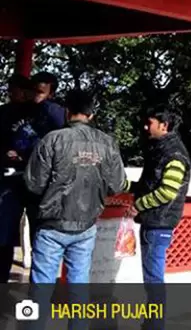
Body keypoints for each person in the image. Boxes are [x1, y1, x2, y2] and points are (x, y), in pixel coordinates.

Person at [24, 89, 127, 284]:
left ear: (66, 111)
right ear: (91, 115)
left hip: (52, 224)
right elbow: (117, 184)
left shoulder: (52, 140)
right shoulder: (108, 143)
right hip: (86, 224)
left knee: (42, 285)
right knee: (79, 284)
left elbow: (34, 184)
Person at [127, 111, 191, 288]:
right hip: (156, 222)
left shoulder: (174, 154)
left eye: (150, 123)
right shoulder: (160, 150)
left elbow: (167, 191)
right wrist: (124, 185)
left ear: (164, 125)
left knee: (153, 279)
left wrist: (139, 205)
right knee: (152, 278)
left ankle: (155, 316)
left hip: (158, 223)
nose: (146, 127)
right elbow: (149, 184)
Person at [0, 75, 33, 282]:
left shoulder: (41, 113)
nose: (14, 93)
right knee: (5, 235)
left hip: (34, 179)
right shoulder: (2, 113)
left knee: (41, 237)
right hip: (7, 180)